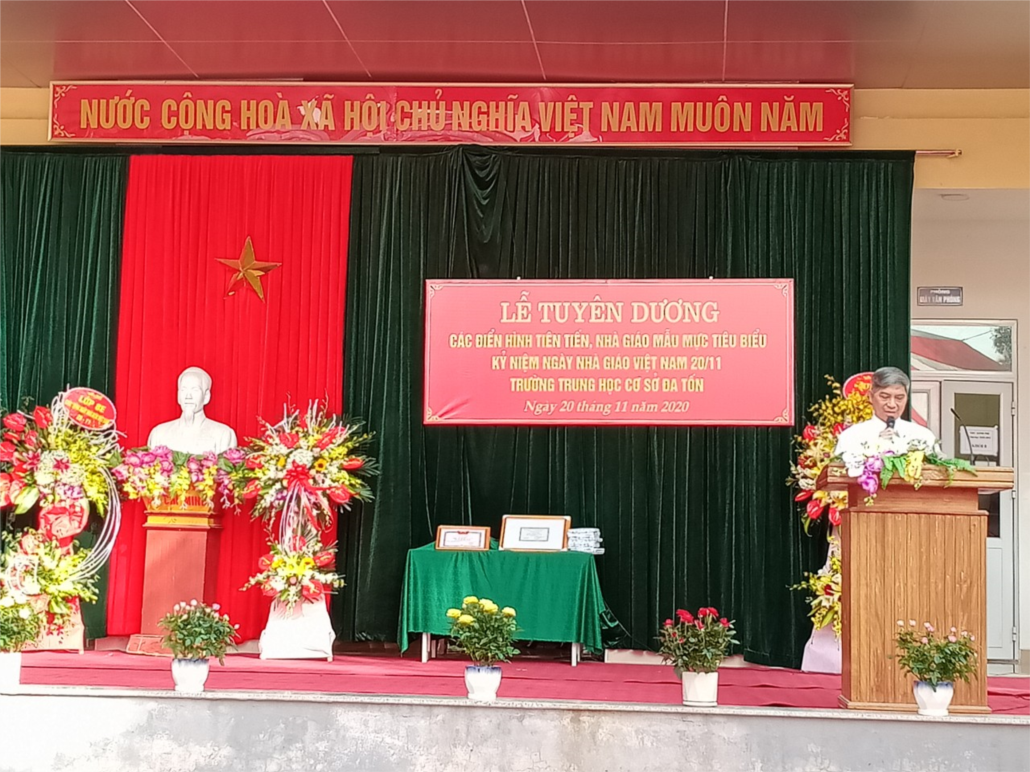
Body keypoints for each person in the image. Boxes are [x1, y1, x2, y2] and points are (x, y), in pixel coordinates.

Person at [834, 366, 939, 464]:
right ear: (870, 397)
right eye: (884, 397)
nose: (892, 405)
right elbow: (838, 472)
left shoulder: (923, 436)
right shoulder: (852, 436)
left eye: (899, 398)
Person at [147, 366, 237, 454]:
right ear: (178, 396)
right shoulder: (159, 433)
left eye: (195, 390)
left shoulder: (223, 434)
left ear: (206, 396)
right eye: (183, 390)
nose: (188, 396)